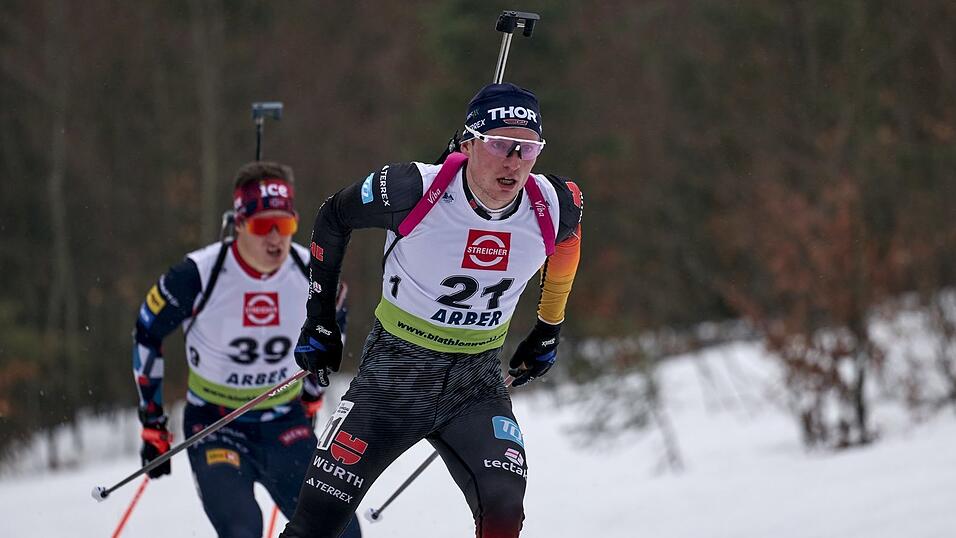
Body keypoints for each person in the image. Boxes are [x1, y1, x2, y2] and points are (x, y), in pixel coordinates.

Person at [281, 83, 583, 537]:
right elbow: (332, 216)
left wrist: (548, 327)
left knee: (503, 509)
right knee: (315, 524)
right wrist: (319, 318)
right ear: (469, 143)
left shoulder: (554, 202)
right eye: (500, 144)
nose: (514, 161)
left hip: (475, 385)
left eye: (528, 147)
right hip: (393, 379)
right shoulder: (412, 187)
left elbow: (568, 242)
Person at [132, 161, 362, 538]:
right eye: (261, 226)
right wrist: (152, 422)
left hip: (283, 423)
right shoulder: (198, 274)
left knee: (341, 528)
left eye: (284, 225)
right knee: (243, 528)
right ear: (239, 224)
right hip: (215, 424)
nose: (275, 238)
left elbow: (332, 332)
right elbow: (146, 333)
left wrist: (310, 398)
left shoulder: (316, 273)